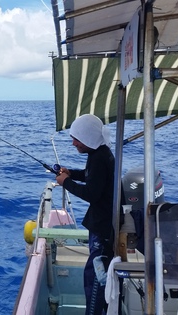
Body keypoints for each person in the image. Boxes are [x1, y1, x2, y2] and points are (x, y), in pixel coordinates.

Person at [55, 114, 115, 315]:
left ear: (88, 138)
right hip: (104, 223)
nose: (73, 143)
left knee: (95, 278)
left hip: (103, 227)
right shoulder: (99, 153)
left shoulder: (99, 157)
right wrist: (71, 173)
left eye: (76, 139)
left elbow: (92, 193)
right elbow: (93, 178)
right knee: (96, 274)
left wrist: (66, 183)